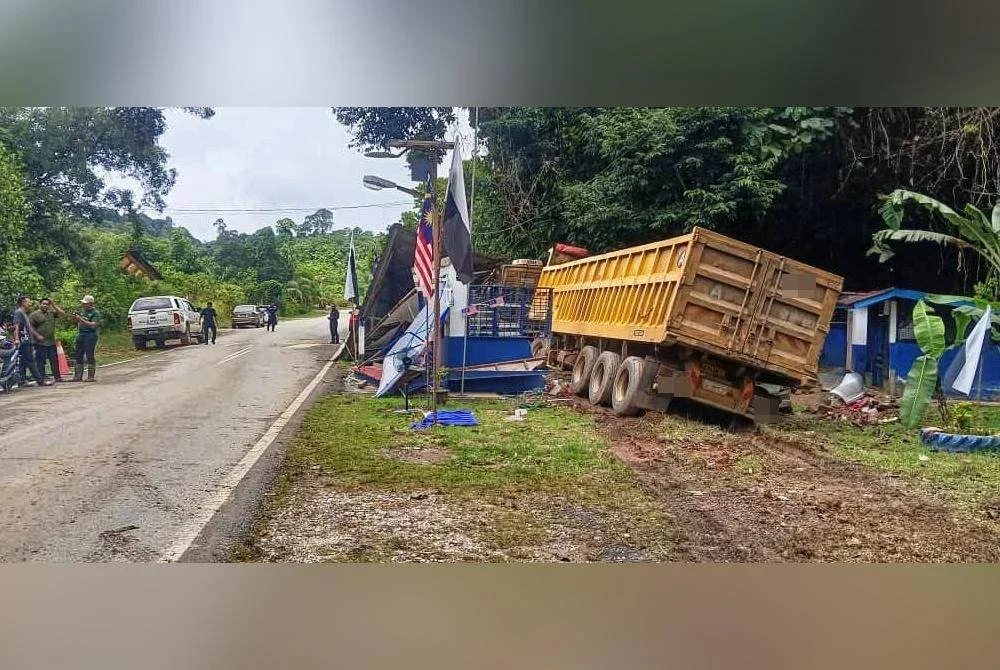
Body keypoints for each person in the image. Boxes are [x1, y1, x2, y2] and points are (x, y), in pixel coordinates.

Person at [12, 295, 51, 387]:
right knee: (31, 361)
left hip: (27, 340)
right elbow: (16, 326)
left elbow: (29, 327)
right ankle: (40, 380)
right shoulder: (19, 312)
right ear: (23, 303)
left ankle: (22, 381)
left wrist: (36, 336)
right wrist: (17, 338)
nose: (30, 304)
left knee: (23, 361)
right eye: (28, 302)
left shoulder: (24, 313)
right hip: (23, 340)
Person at [29, 297, 66, 382]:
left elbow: (62, 313)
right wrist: (37, 335)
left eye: (47, 304)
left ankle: (57, 377)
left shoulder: (51, 313)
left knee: (54, 360)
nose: (45, 305)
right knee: (41, 361)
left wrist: (53, 304)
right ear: (40, 304)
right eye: (44, 304)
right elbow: (30, 327)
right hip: (40, 342)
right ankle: (42, 377)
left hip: (51, 341)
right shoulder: (34, 315)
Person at [70, 294, 101, 382]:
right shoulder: (82, 311)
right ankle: (77, 376)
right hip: (81, 334)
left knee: (89, 354)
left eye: (85, 303)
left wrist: (82, 319)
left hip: (90, 335)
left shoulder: (95, 313)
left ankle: (91, 376)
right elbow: (76, 321)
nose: (83, 305)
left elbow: (93, 325)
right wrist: (75, 318)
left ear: (91, 304)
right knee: (78, 354)